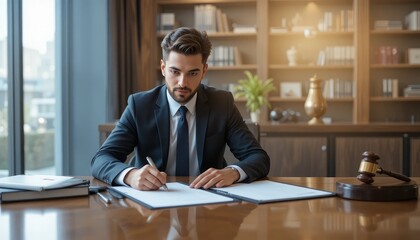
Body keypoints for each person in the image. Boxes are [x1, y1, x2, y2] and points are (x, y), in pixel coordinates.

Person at [91, 27, 270, 191]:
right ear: (163, 68)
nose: (183, 82)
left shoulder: (221, 104)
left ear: (204, 71)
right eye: (175, 71)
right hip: (152, 205)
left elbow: (258, 158)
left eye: (192, 73)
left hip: (208, 204)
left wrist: (233, 172)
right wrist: (131, 175)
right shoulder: (140, 105)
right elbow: (102, 159)